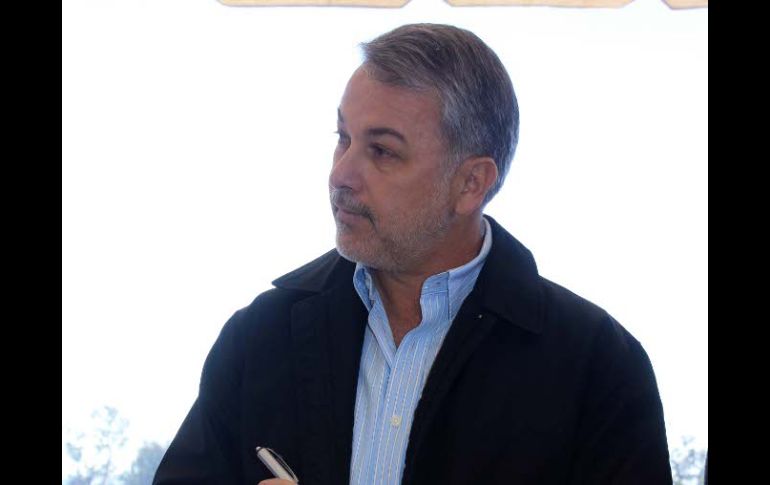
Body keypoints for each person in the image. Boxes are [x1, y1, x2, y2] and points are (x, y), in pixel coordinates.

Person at [153, 23, 672, 485]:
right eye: (343, 138)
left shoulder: (598, 365)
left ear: (471, 183)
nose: (341, 173)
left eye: (382, 150)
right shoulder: (259, 337)